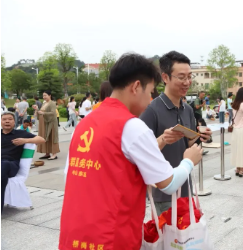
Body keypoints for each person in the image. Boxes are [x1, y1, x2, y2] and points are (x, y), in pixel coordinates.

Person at [58, 53, 206, 250]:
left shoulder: (85, 123)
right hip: (112, 236)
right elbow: (168, 184)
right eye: (150, 92)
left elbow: (73, 176)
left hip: (74, 235)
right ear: (136, 87)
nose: (150, 100)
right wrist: (188, 161)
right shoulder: (131, 126)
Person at [140, 51, 211, 215]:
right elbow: (142, 154)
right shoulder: (151, 111)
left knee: (187, 239)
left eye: (189, 76)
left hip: (186, 188)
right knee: (169, 240)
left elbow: (188, 144)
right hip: (163, 194)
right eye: (181, 77)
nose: (187, 82)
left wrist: (199, 136)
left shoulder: (187, 110)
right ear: (165, 77)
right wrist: (163, 139)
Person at [2, 111, 45, 208]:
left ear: (14, 122)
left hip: (11, 165)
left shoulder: (20, 133)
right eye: (4, 119)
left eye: (10, 119)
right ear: (1, 122)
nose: (7, 121)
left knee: (3, 165)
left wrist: (25, 141)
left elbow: (42, 140)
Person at [230, 87, 243, 177]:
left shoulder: (234, 104)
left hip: (236, 129)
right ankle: (242, 169)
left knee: (237, 149)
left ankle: (238, 168)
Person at [36, 90, 59, 160]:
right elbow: (41, 112)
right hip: (45, 122)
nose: (44, 97)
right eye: (43, 96)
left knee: (52, 137)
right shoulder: (44, 103)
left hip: (51, 123)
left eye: (45, 95)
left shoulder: (52, 103)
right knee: (45, 137)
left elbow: (53, 113)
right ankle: (47, 153)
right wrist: (37, 109)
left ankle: (54, 154)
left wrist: (44, 114)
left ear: (50, 95)